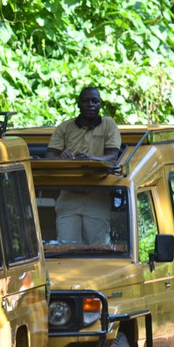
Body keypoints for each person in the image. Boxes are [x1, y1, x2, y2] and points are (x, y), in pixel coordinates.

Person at [46, 86, 122, 245]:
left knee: (98, 248)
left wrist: (90, 159)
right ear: (78, 104)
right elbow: (49, 156)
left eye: (95, 101)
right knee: (66, 248)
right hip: (68, 195)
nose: (90, 104)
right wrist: (61, 157)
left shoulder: (109, 124)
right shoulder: (64, 127)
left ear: (100, 104)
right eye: (86, 101)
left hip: (97, 193)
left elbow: (113, 156)